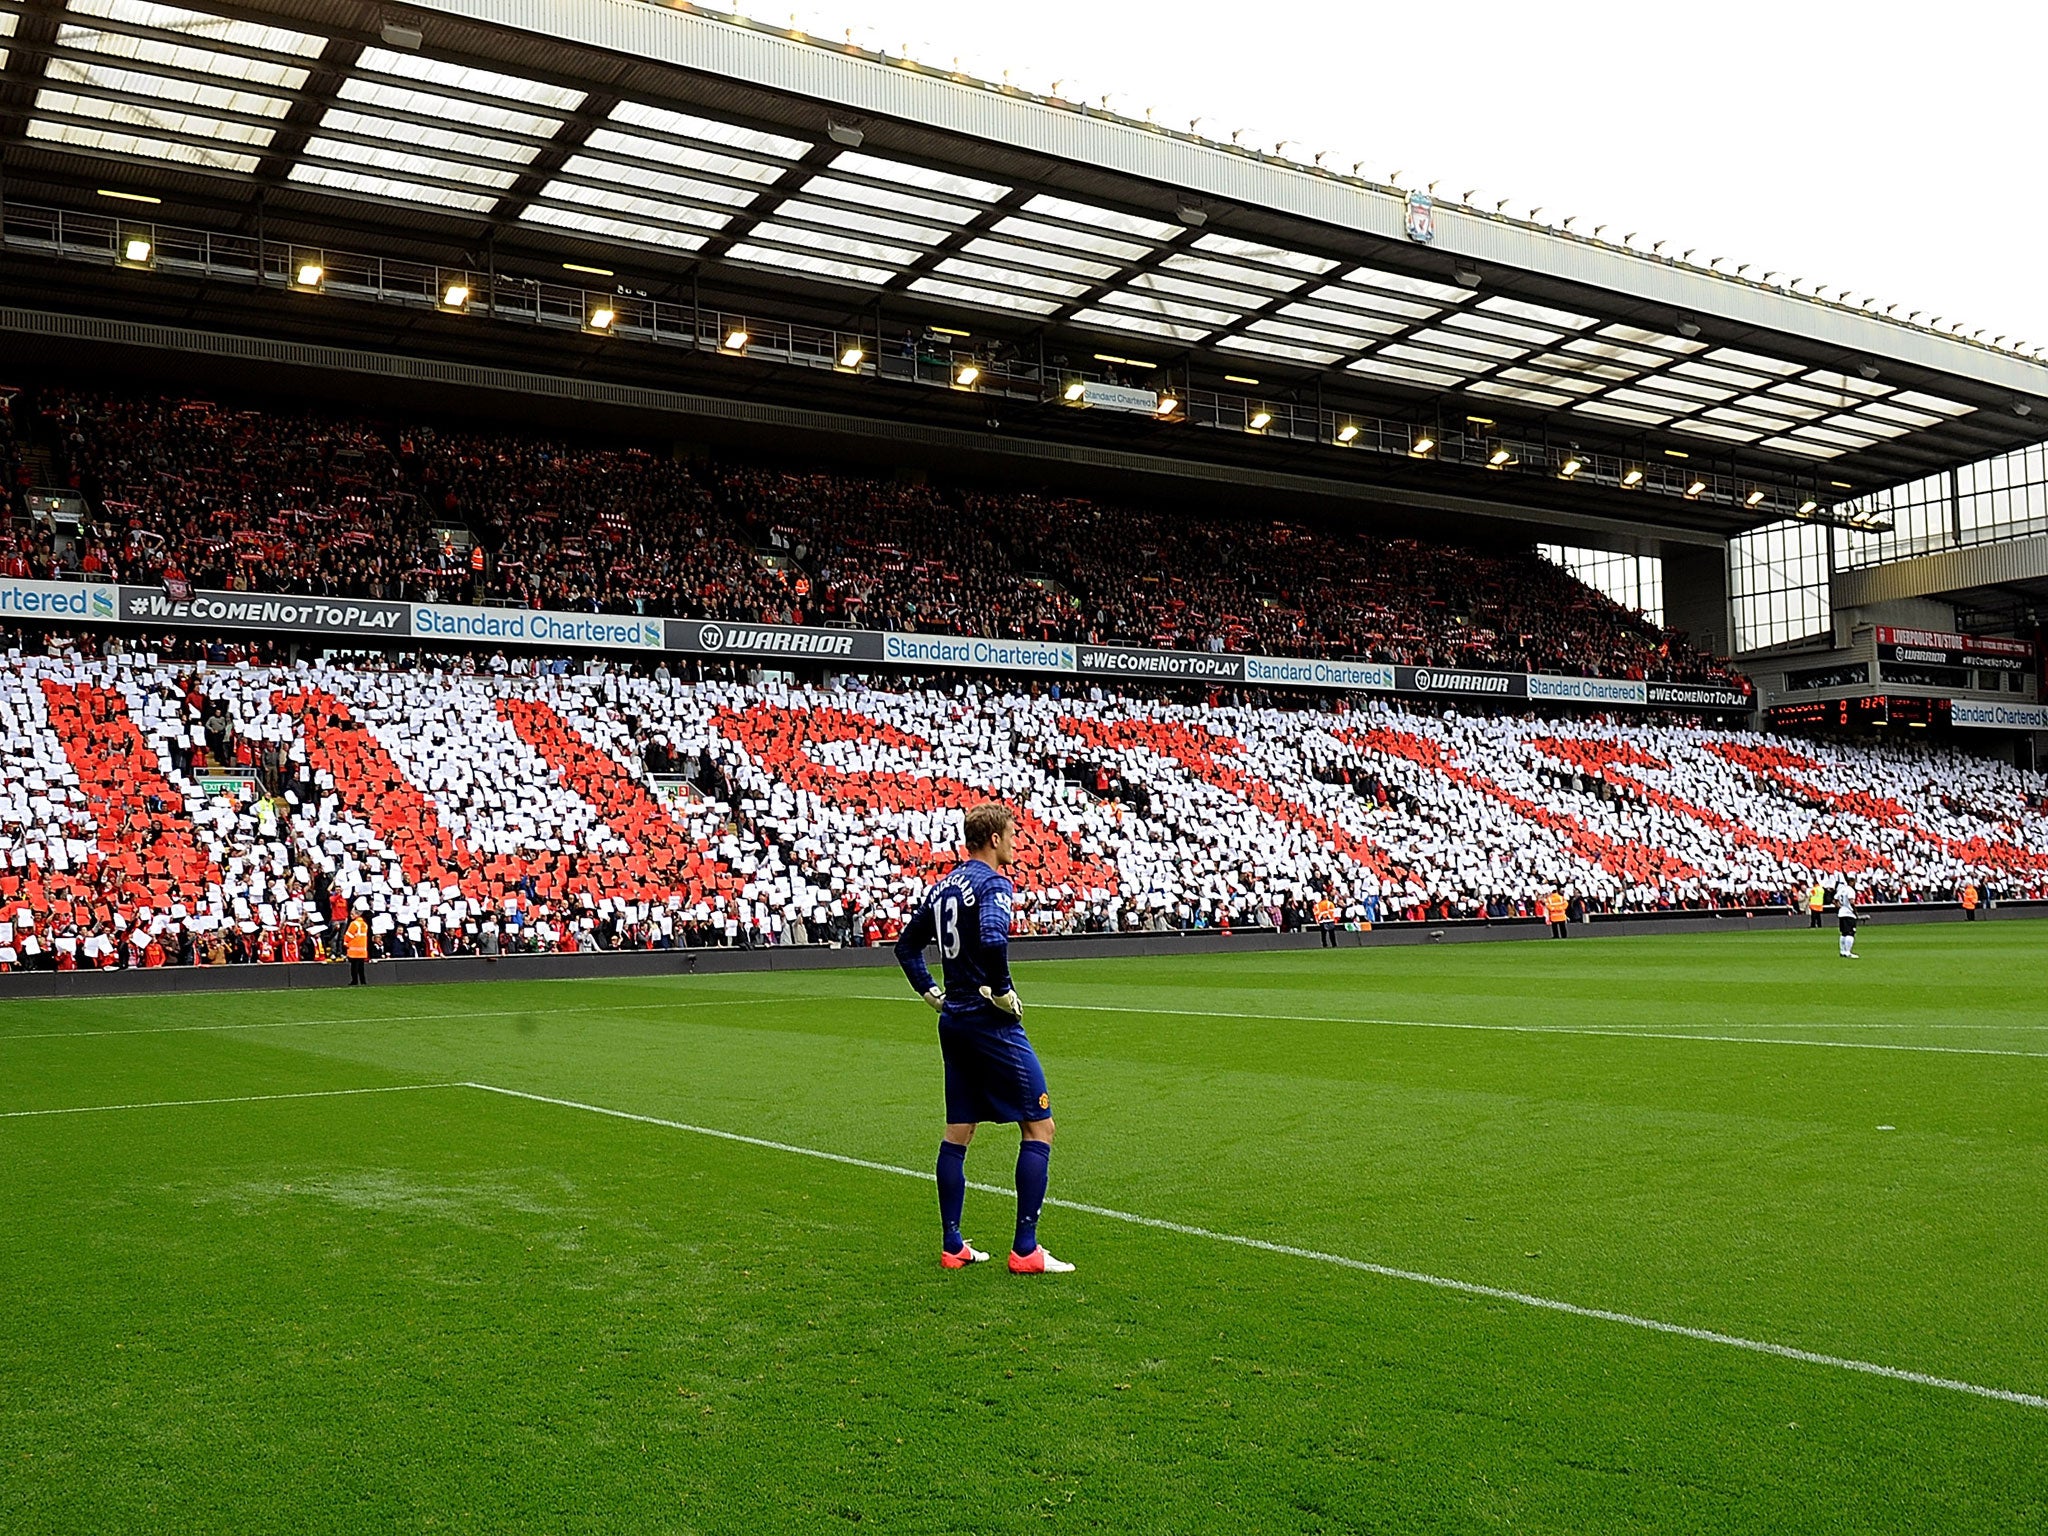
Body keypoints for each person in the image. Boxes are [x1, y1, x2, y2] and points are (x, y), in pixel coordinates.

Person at [895, 802, 1071, 1276]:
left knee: (959, 1131)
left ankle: (954, 1245)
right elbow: (994, 940)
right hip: (989, 1022)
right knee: (1040, 1126)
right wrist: (1002, 990)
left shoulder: (941, 888)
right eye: (1012, 834)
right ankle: (1026, 1249)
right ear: (993, 838)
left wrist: (930, 991)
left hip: (953, 1020)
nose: (1016, 842)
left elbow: (905, 947)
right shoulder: (993, 883)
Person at [344, 907, 371, 986]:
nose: (351, 916)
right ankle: (363, 981)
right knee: (361, 967)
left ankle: (354, 981)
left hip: (354, 949)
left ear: (356, 914)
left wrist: (345, 943)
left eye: (352, 914)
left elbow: (348, 935)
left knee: (354, 967)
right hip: (362, 949)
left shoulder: (354, 924)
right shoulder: (364, 924)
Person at [1834, 877, 1859, 959]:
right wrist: (1854, 911)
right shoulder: (1851, 890)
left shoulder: (1841, 889)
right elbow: (1851, 901)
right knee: (1850, 933)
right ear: (1851, 882)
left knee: (1844, 933)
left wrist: (1840, 907)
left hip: (1841, 913)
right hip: (1849, 914)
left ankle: (1842, 951)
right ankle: (1848, 952)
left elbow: (1834, 900)